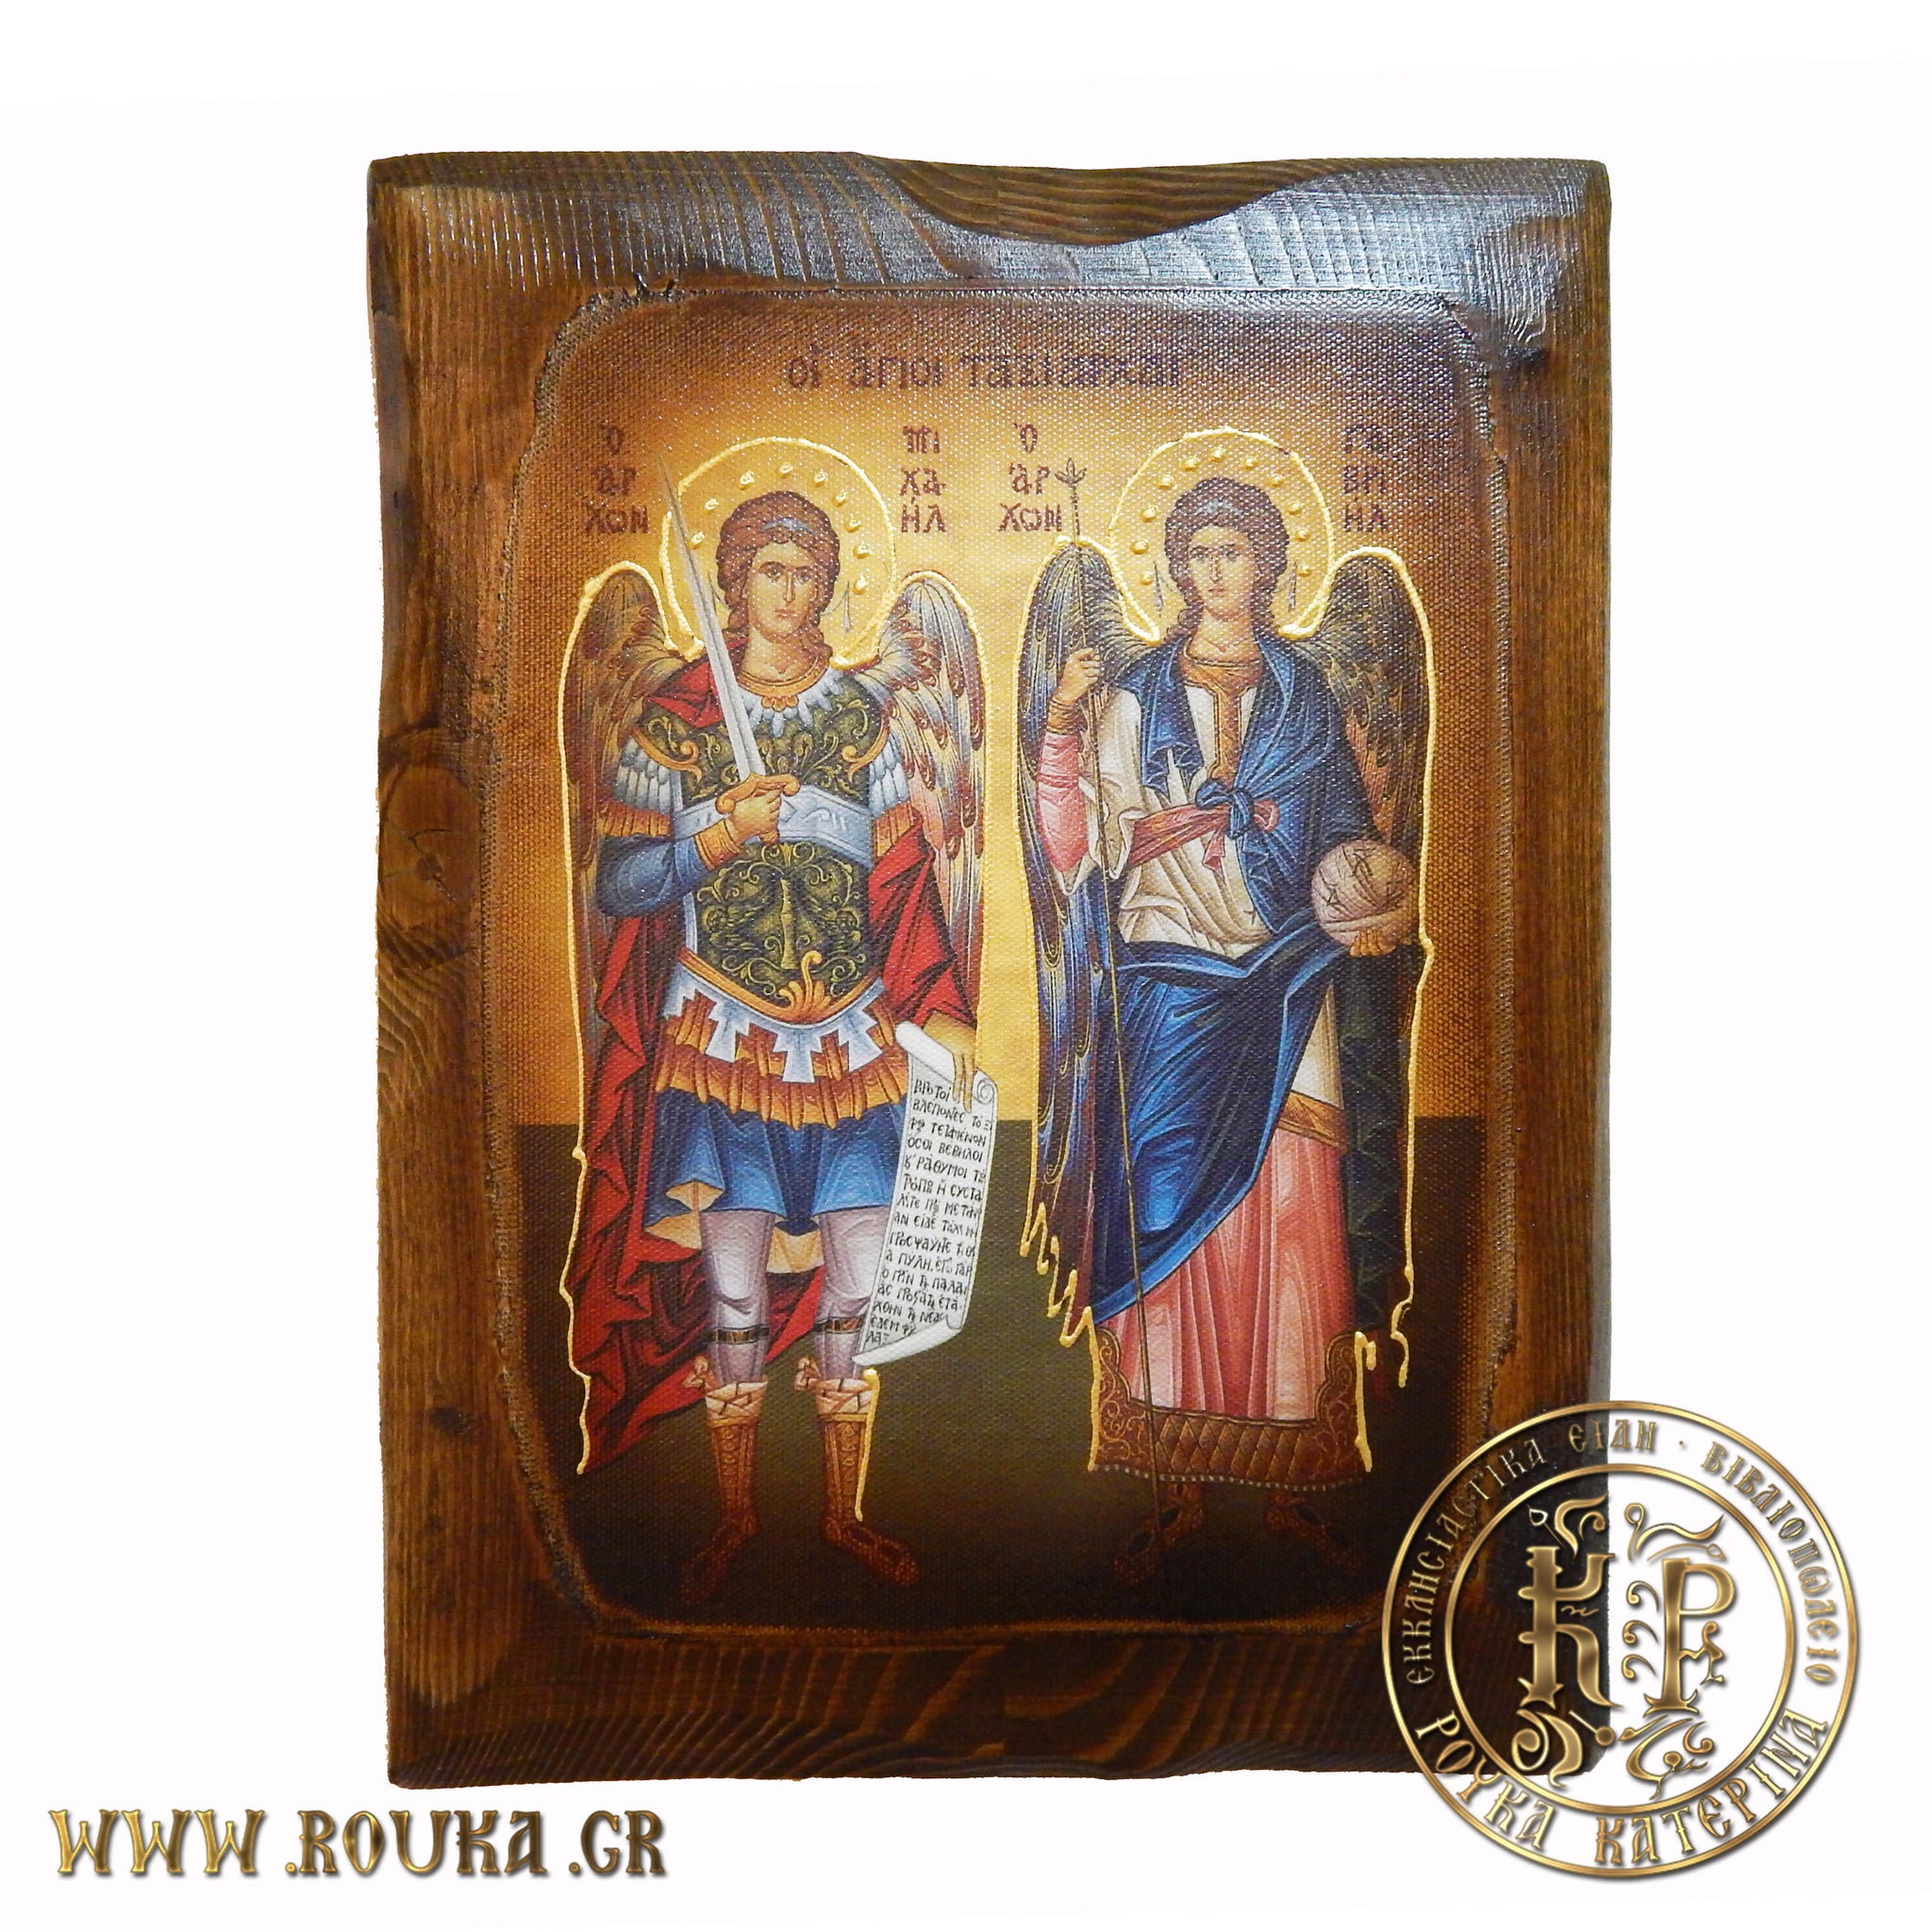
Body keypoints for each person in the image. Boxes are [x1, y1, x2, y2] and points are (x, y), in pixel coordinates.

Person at [567, 489, 976, 1604]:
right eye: (770, 573)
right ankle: (735, 1515)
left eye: (808, 573)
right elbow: (620, 882)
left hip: (851, 1034)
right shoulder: (675, 723)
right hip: (723, 1033)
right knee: (735, 1297)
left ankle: (843, 1513)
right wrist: (717, 832)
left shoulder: (861, 716)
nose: (792, 594)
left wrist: (937, 1004)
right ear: (734, 586)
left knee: (859, 1283)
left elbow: (903, 877)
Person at [1030, 477, 1414, 1581]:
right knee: (1164, 1213)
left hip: (1289, 975)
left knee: (1292, 1209)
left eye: (1233, 551)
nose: (1213, 571)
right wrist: (1059, 725)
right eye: (1195, 551)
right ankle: (1174, 1479)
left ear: (1267, 566)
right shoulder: (1129, 694)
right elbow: (1072, 848)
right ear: (1173, 567)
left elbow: (1344, 831)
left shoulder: (1305, 693)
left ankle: (1293, 1473)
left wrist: (1372, 891)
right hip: (1165, 976)